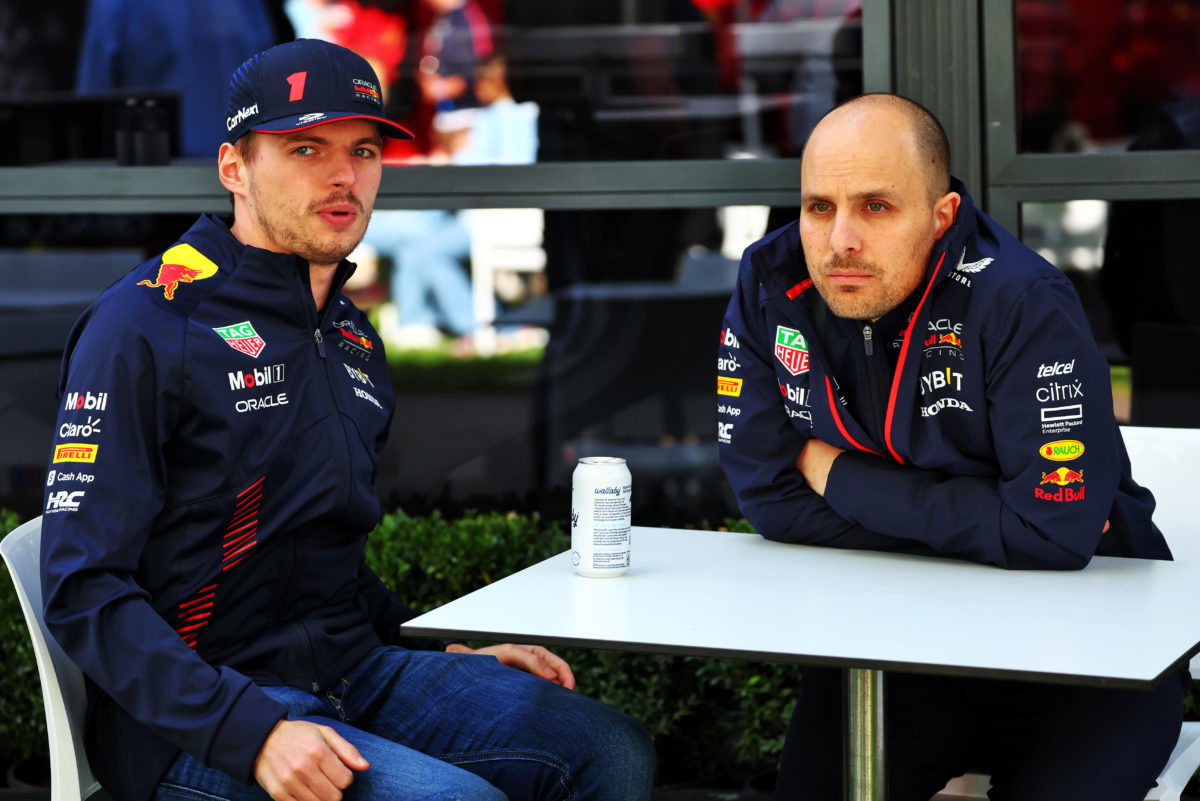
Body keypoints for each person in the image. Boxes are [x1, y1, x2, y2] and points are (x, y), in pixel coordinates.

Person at [41, 39, 654, 801]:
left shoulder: (351, 333)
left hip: (349, 673)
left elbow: (319, 559)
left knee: (608, 750)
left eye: (363, 149)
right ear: (235, 167)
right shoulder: (147, 323)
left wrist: (447, 651)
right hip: (197, 715)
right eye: (305, 148)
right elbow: (82, 587)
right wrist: (251, 731)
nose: (343, 175)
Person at [716, 93, 1183, 801]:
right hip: (891, 649)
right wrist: (986, 521)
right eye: (819, 206)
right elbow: (770, 500)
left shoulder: (1021, 300)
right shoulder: (769, 283)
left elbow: (1053, 532)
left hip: (1084, 653)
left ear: (942, 216)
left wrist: (834, 471)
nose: (840, 238)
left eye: (876, 206)